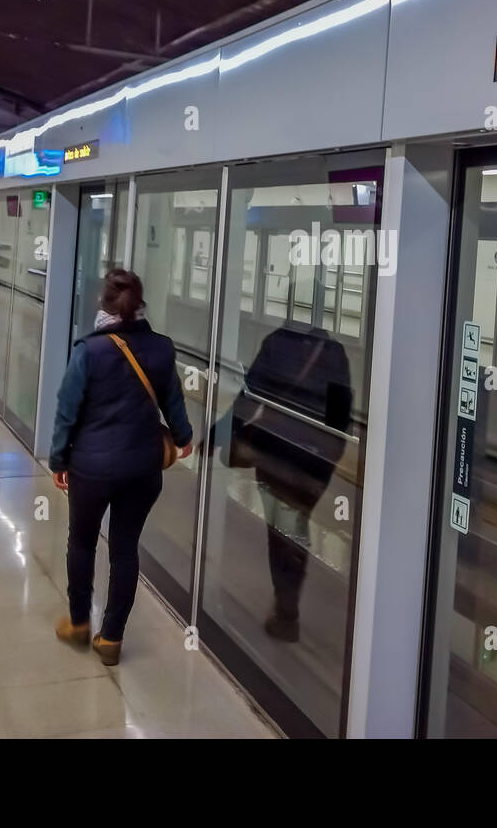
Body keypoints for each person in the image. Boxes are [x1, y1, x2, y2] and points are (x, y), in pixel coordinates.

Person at [50, 268, 192, 664]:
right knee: (125, 548)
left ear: (103, 305)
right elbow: (173, 402)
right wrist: (182, 437)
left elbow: (66, 411)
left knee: (81, 543)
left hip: (90, 470)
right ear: (141, 305)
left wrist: (59, 459)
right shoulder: (161, 348)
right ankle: (111, 638)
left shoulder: (88, 351)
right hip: (142, 470)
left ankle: (79, 625)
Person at [218, 321, 352, 642]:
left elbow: (250, 396)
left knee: (281, 528)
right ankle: (287, 604)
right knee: (296, 524)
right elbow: (339, 417)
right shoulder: (336, 355)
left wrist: (222, 432)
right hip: (315, 459)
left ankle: (287, 609)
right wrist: (328, 460)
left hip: (276, 451)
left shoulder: (278, 342)